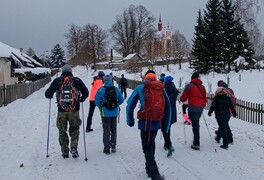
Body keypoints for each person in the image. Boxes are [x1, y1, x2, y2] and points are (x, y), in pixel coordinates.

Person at [126, 70, 171, 180]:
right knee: (151, 143)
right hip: (156, 122)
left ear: (145, 77)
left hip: (144, 122)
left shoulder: (140, 88)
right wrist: (166, 127)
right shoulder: (161, 88)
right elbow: (168, 107)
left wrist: (130, 120)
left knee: (146, 147)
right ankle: (148, 168)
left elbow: (130, 104)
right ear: (155, 77)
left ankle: (154, 173)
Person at [45, 64, 89, 158]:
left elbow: (47, 93)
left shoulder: (58, 81)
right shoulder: (76, 81)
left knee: (62, 130)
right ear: (71, 71)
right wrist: (81, 99)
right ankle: (74, 146)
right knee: (74, 129)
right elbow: (86, 92)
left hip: (61, 110)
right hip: (74, 110)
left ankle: (65, 152)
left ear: (62, 72)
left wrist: (52, 95)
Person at [95, 75, 124, 154]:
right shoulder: (116, 89)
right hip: (114, 112)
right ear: (111, 81)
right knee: (114, 129)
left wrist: (101, 107)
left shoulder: (101, 90)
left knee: (106, 130)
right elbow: (121, 100)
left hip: (105, 113)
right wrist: (116, 104)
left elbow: (96, 101)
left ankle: (106, 148)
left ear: (104, 81)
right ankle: (113, 145)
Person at [180, 72, 207, 150]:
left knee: (195, 125)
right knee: (196, 123)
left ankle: (196, 143)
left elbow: (183, 97)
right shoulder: (202, 86)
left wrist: (181, 99)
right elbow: (205, 97)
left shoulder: (189, 86)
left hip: (192, 107)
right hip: (200, 107)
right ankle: (196, 140)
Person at [162, 75, 178, 157]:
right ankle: (166, 144)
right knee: (168, 128)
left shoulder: (164, 89)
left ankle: (169, 145)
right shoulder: (174, 89)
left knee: (164, 128)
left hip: (165, 111)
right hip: (173, 111)